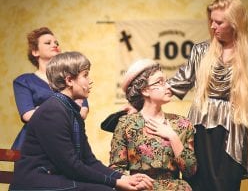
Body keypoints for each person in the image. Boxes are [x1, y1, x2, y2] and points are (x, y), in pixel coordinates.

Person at [167, 0, 248, 191]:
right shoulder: (201, 51)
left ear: (235, 23)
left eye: (219, 22)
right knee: (196, 184)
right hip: (198, 128)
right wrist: (139, 103)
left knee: (225, 185)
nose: (212, 26)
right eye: (211, 20)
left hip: (232, 131)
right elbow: (176, 82)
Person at [9, 51, 154, 191]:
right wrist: (115, 183)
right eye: (85, 75)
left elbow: (89, 161)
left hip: (55, 177)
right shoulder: (52, 111)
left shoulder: (71, 111)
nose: (90, 81)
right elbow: (71, 166)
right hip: (36, 182)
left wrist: (123, 178)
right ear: (69, 80)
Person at [109, 59, 197, 191]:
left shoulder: (182, 124)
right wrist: (134, 182)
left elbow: (190, 171)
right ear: (145, 90)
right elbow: (116, 169)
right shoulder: (126, 124)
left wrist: (172, 137)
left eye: (166, 81)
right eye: (160, 82)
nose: (168, 86)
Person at [11, 27, 89, 150]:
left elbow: (82, 113)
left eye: (56, 43)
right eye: (48, 43)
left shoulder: (71, 79)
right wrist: (68, 110)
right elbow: (28, 115)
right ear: (35, 51)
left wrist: (40, 110)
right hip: (34, 146)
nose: (55, 45)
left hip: (65, 143)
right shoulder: (23, 81)